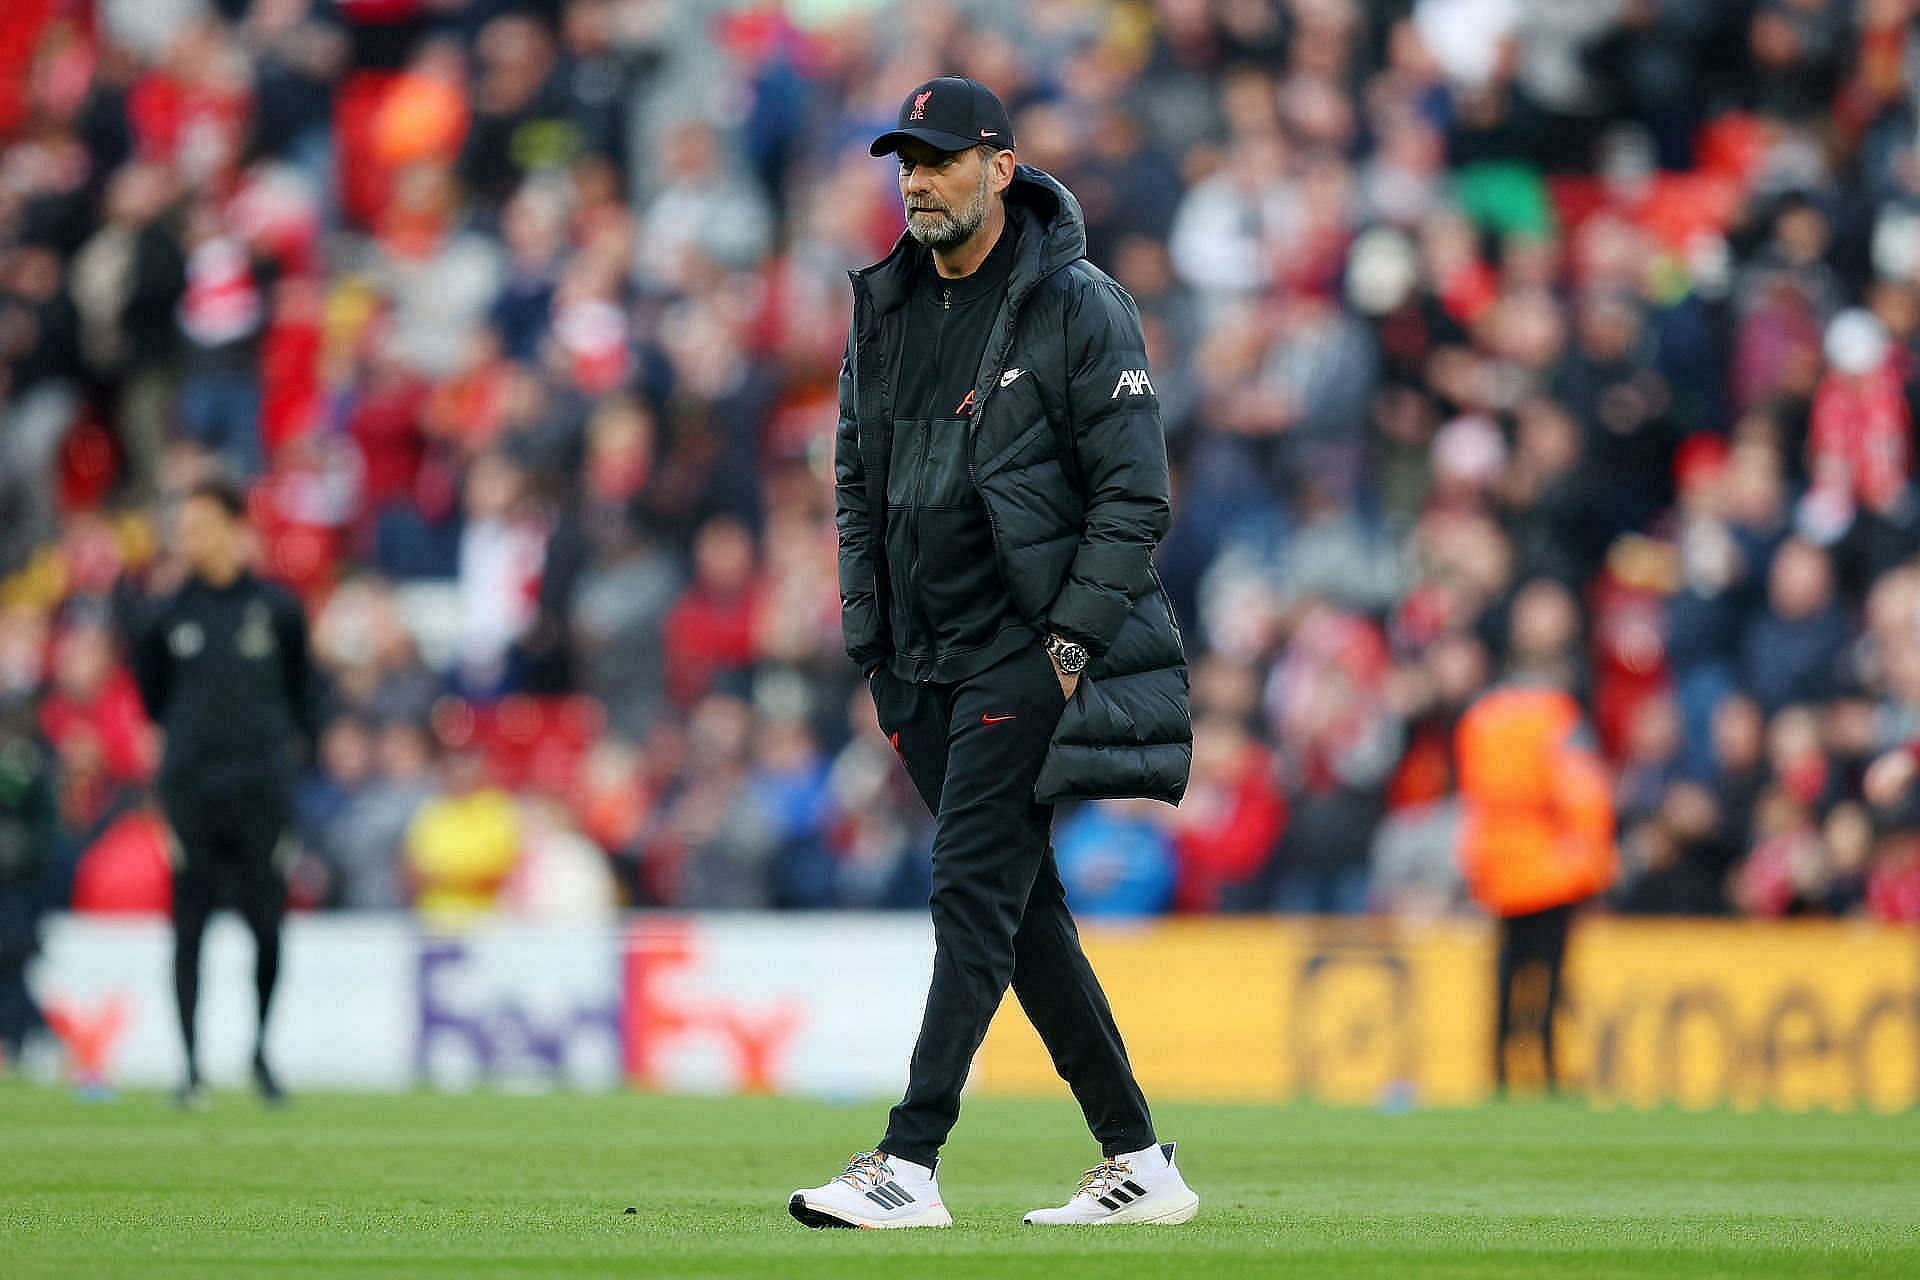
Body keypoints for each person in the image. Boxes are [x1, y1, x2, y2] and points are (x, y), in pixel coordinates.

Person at [788, 78, 1196, 1231]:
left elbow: (1136, 496)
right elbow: (857, 479)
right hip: (918, 660)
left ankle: (908, 1161)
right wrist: (872, 640)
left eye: (937, 159)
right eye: (902, 162)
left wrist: (1067, 644)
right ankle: (1139, 1158)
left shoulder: (1080, 304)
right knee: (1021, 915)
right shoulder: (885, 305)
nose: (915, 180)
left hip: (1026, 649)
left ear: (999, 168)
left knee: (971, 889)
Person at [121, 477, 320, 1107]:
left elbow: (303, 698)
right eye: (184, 528)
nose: (190, 539)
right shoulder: (165, 615)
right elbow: (153, 701)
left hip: (261, 792)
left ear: (237, 527)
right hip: (193, 795)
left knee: (267, 927)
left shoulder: (278, 610)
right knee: (190, 928)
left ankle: (260, 1054)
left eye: (202, 525)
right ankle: (190, 1067)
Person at [1454, 619, 1617, 1095]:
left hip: (1498, 863)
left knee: (1506, 971)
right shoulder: (1557, 718)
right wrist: (1596, 862)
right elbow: (1581, 791)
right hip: (1551, 865)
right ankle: (1543, 1067)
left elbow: (1472, 795)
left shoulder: (1481, 718)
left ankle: (1499, 1069)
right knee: (1549, 972)